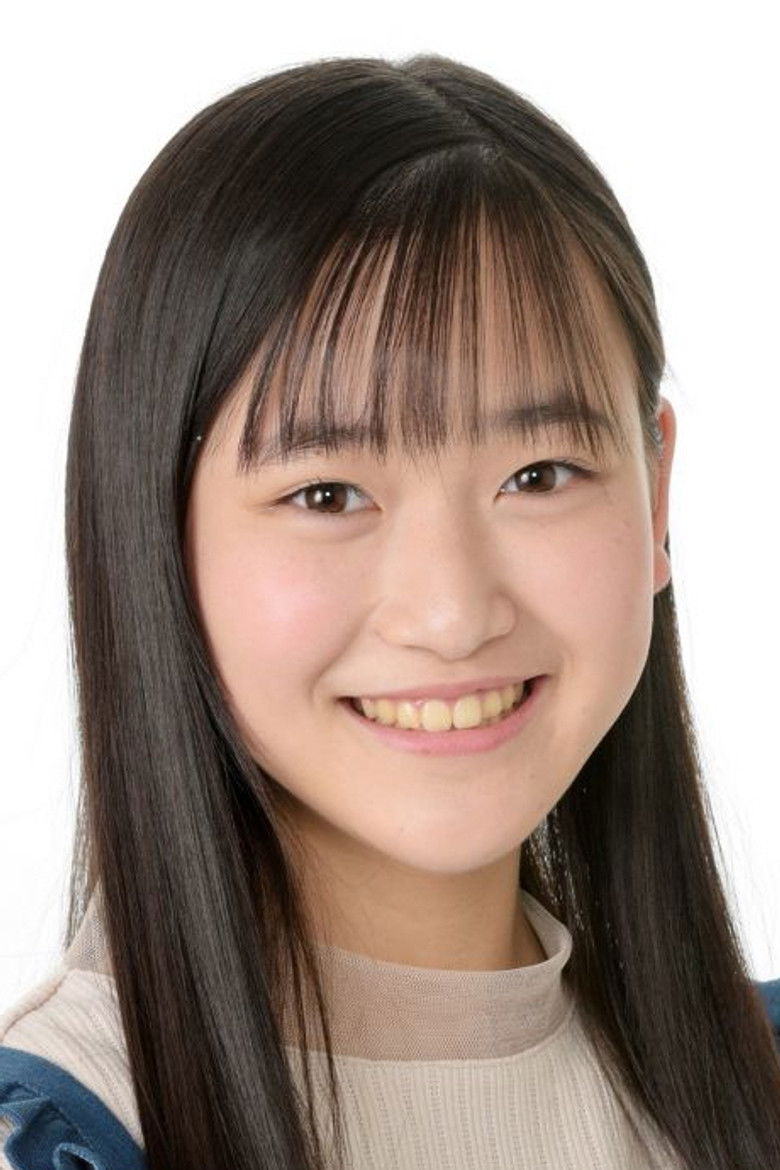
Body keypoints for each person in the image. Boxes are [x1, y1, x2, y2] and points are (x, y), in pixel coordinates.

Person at [1, 53, 778, 1170]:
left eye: (540, 475)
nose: (452, 614)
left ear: (656, 494)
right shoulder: (67, 1137)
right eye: (328, 495)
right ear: (150, 532)